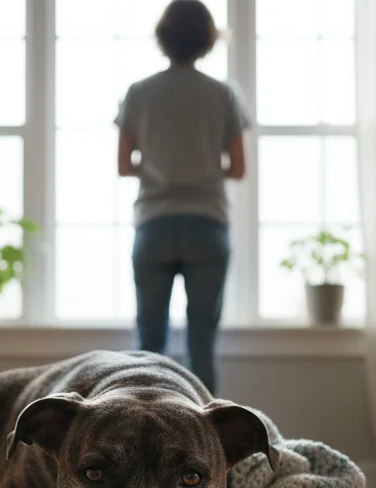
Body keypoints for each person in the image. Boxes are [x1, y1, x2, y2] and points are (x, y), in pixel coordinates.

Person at [114, 0, 251, 395]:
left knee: (149, 343)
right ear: (207, 40)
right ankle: (207, 445)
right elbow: (238, 168)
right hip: (208, 225)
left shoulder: (138, 93)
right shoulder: (223, 94)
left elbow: (124, 165)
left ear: (163, 38)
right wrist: (202, 170)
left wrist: (160, 170)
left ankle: (143, 430)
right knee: (202, 342)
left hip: (154, 225)